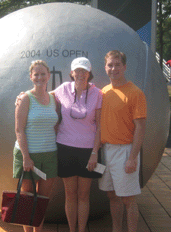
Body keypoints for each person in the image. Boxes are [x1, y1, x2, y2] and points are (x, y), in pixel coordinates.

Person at [99, 50, 147, 232]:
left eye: (117, 64)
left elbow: (140, 127)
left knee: (128, 199)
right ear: (105, 68)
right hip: (107, 151)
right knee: (112, 195)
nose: (114, 68)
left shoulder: (135, 93)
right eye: (110, 65)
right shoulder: (104, 92)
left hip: (126, 151)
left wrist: (133, 157)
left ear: (124, 67)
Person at [54, 57, 102, 232]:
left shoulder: (97, 93)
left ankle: (81, 230)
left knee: (83, 195)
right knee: (70, 194)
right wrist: (24, 96)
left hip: (88, 150)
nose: (81, 74)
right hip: (65, 148)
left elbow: (99, 127)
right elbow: (43, 94)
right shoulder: (63, 89)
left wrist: (95, 153)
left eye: (84, 71)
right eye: (77, 70)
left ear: (89, 73)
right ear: (72, 73)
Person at [14, 60, 59, 232]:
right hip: (28, 155)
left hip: (49, 155)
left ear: (49, 76)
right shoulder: (25, 98)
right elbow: (19, 129)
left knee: (42, 199)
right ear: (31, 77)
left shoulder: (53, 99)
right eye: (36, 74)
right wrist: (26, 157)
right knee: (28, 199)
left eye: (43, 74)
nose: (39, 77)